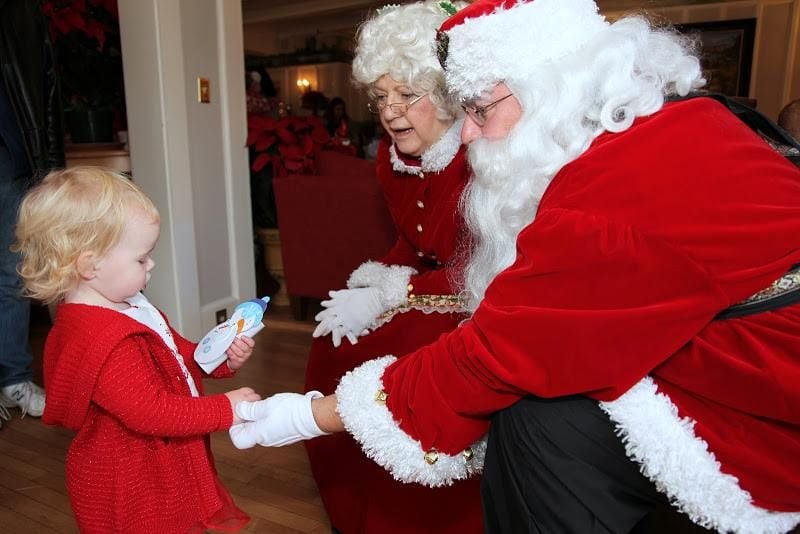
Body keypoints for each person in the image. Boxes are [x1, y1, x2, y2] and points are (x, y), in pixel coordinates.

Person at [232, 0, 800, 532]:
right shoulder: (661, 129)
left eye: (479, 109)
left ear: (551, 88)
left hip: (765, 411)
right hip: (742, 369)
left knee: (533, 423)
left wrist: (313, 416)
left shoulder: (617, 190)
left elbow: (499, 356)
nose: (470, 132)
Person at [297, 2, 481, 533]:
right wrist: (372, 282)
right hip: (432, 286)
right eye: (380, 97)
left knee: (404, 361)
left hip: (479, 299)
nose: (390, 111)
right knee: (333, 346)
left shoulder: (483, 159)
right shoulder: (391, 158)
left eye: (406, 94)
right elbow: (412, 242)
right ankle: (353, 512)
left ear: (445, 95)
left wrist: (388, 295)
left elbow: (480, 270)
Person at [13, 166, 261, 533]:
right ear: (90, 264)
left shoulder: (132, 305)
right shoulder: (101, 339)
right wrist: (228, 408)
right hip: (134, 478)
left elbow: (178, 356)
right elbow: (153, 412)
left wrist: (220, 357)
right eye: (141, 258)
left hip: (161, 462)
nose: (152, 264)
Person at [0, 0, 64, 421]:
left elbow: (47, 91)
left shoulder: (22, 12)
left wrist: (53, 170)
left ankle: (13, 380)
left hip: (14, 161)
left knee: (13, 275)